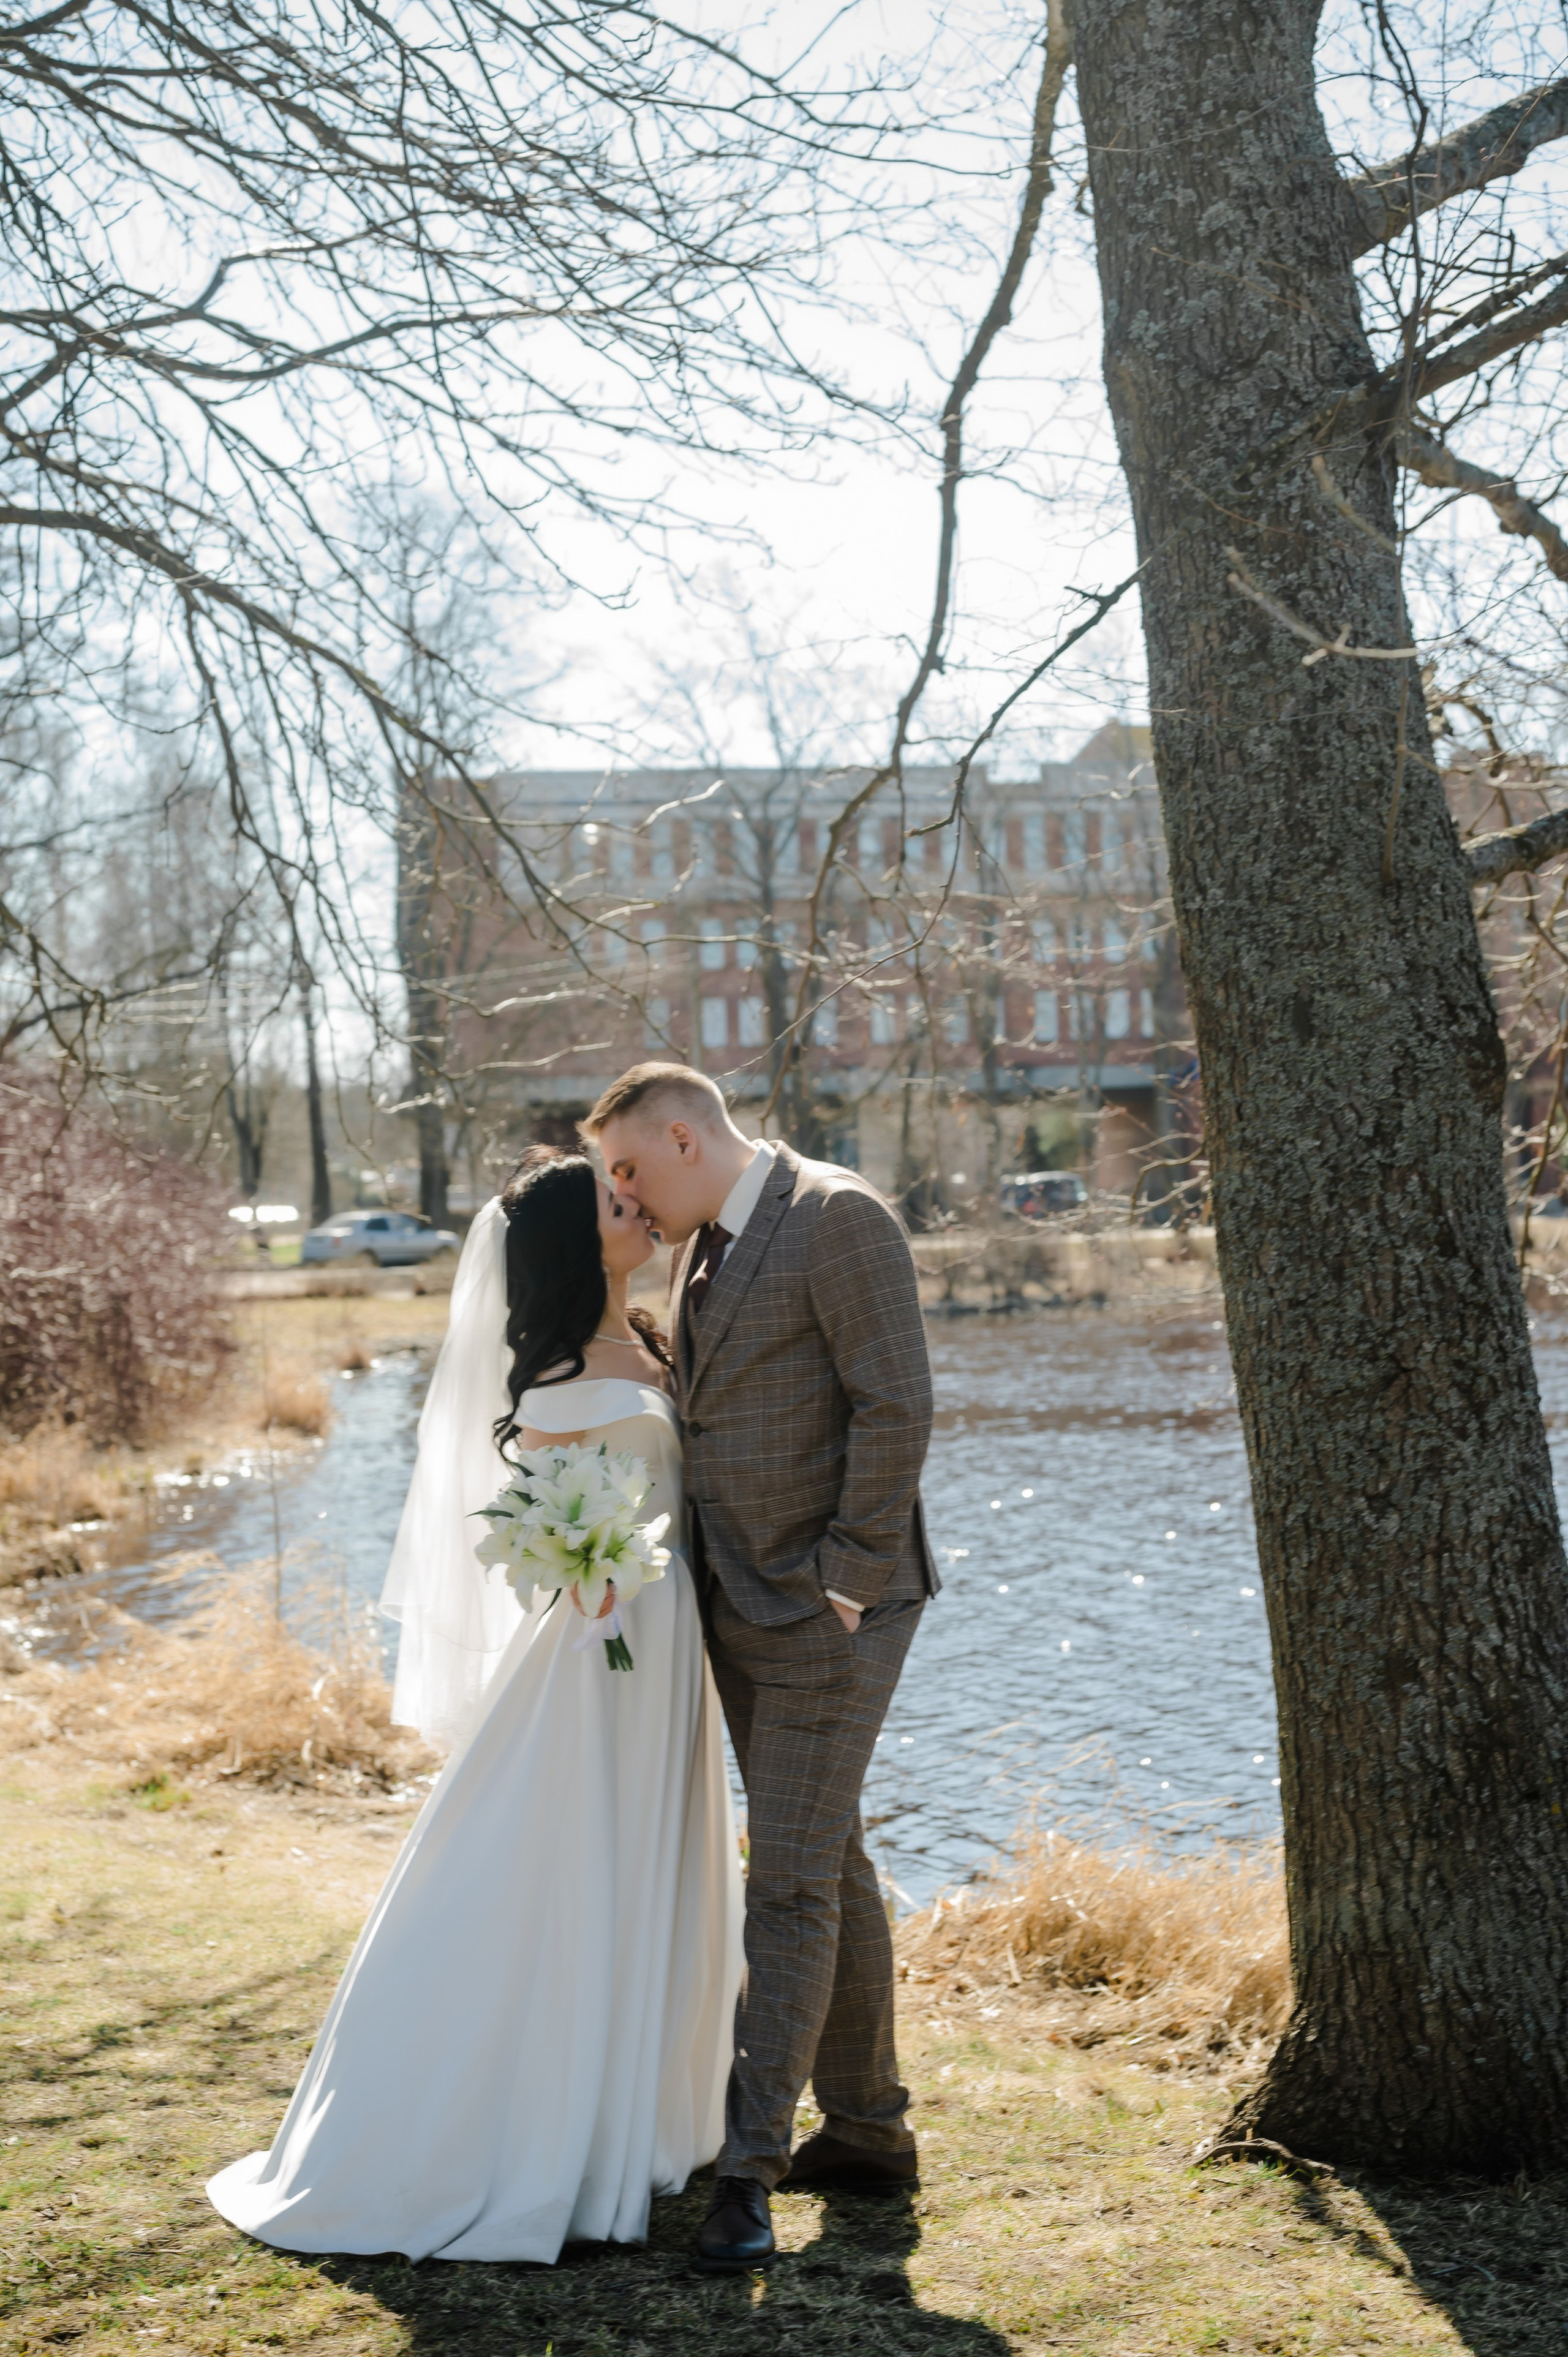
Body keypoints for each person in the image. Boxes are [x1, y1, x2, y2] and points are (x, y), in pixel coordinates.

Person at [206, 1148, 742, 2263]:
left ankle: (638, 2116)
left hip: (667, 1647)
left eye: (631, 1190)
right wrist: (588, 1566)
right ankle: (531, 2137)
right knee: (571, 1870)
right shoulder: (549, 1381)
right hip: (602, 1656)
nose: (636, 1205)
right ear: (570, 1242)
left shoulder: (651, 1339)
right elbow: (543, 1542)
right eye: (614, 1200)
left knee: (651, 1865)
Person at [587, 1063, 939, 2276]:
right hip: (733, 1603)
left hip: (830, 1614)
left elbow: (895, 1405)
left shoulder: (837, 1217)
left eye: (629, 1167)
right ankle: (869, 2130)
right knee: (825, 1855)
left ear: (682, 1136)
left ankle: (749, 2169)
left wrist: (844, 1578)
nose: (623, 1192)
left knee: (783, 1878)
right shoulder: (697, 1250)